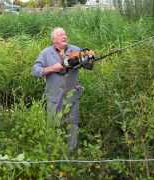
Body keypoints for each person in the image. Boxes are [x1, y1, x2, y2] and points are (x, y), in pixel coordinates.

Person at [31, 27, 95, 156]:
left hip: (72, 97)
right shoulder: (45, 53)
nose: (64, 36)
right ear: (53, 39)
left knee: (72, 126)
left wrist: (91, 58)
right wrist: (52, 68)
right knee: (54, 126)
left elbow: (89, 66)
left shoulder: (75, 50)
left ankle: (71, 158)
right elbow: (35, 70)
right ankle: (55, 157)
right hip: (54, 98)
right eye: (60, 35)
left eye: (65, 34)